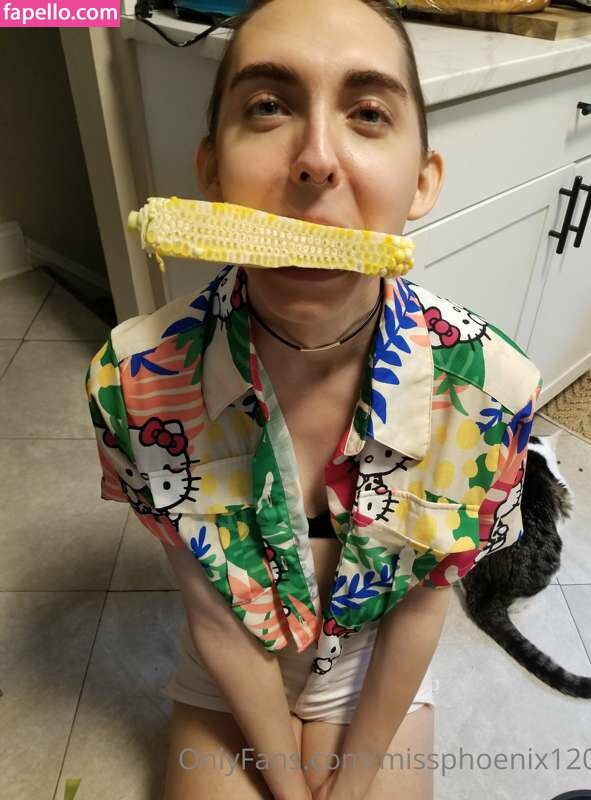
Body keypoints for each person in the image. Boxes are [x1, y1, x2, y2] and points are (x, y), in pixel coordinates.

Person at [84, 1, 541, 798]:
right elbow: (211, 611)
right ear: (210, 171)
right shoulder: (134, 384)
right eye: (268, 106)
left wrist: (349, 781)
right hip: (233, 654)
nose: (317, 160)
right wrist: (291, 786)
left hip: (371, 660)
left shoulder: (490, 393)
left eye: (368, 113)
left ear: (422, 181)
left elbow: (421, 607)